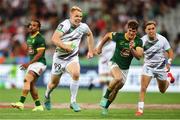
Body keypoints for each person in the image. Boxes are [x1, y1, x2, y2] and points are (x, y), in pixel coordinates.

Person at [44, 6, 94, 112]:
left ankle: (73, 102)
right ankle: (47, 96)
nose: (79, 18)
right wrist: (65, 46)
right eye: (76, 16)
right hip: (59, 59)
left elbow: (89, 34)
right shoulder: (64, 25)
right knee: (53, 84)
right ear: (71, 16)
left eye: (80, 16)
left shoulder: (83, 26)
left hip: (72, 58)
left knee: (76, 74)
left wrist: (90, 50)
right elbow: (54, 38)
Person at [94, 19, 143, 115]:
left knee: (117, 89)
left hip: (125, 69)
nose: (131, 33)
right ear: (127, 29)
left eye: (134, 31)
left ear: (136, 31)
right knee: (118, 78)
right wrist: (100, 47)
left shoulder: (138, 41)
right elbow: (108, 35)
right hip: (114, 63)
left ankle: (106, 107)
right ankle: (105, 96)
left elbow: (139, 56)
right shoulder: (119, 36)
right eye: (130, 30)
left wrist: (132, 48)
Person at [135, 21, 175, 116]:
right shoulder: (142, 41)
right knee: (143, 88)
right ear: (145, 30)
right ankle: (140, 110)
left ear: (155, 29)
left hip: (161, 67)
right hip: (148, 67)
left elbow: (170, 52)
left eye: (153, 28)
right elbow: (139, 55)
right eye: (149, 29)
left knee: (162, 90)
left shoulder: (162, 39)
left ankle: (169, 78)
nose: (151, 31)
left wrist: (168, 63)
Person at [11, 20, 47, 111]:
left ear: (38, 28)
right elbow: (30, 51)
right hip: (33, 63)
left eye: (34, 25)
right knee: (30, 85)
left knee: (27, 79)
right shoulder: (29, 38)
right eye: (30, 25)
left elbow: (39, 54)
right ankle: (38, 106)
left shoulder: (40, 38)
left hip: (39, 63)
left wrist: (28, 64)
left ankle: (21, 103)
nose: (31, 26)